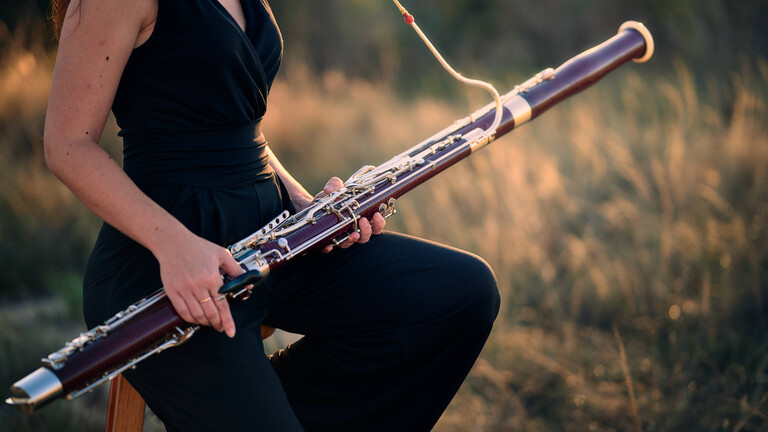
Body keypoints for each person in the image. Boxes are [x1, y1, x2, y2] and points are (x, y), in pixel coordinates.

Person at [44, 0, 500, 430]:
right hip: (168, 265)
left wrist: (302, 200)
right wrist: (174, 246)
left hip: (268, 232)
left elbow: (235, 124)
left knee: (462, 295)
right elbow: (67, 146)